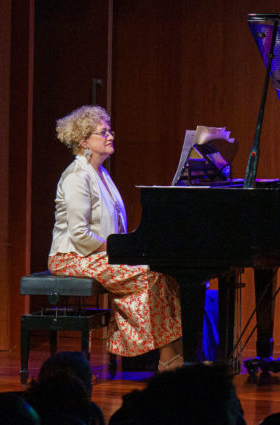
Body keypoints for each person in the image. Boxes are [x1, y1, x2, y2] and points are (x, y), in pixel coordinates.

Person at [49, 105, 183, 369]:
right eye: (103, 132)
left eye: (110, 131)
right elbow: (79, 236)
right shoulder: (77, 176)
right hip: (71, 257)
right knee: (150, 275)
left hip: (96, 253)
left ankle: (177, 353)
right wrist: (119, 251)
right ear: (84, 141)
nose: (110, 136)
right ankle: (168, 359)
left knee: (164, 272)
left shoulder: (101, 174)